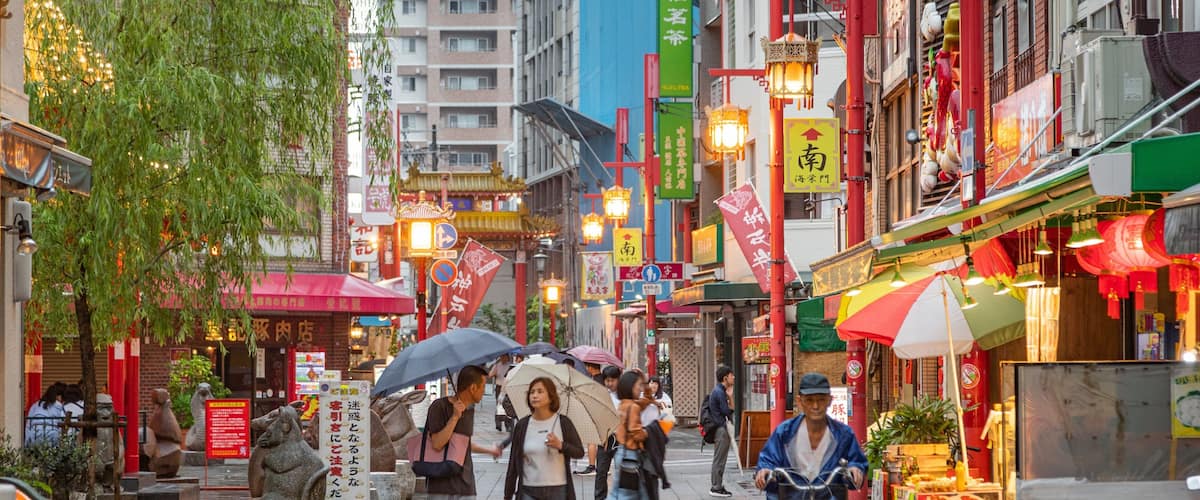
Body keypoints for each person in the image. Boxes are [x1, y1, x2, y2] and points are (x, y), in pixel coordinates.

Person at [754, 373, 867, 500]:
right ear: (799, 401)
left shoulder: (843, 434)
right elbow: (768, 459)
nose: (815, 406)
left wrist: (855, 469)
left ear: (830, 400)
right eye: (809, 400)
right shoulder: (784, 432)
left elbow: (856, 461)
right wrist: (765, 470)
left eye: (821, 400)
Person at [425, 365, 503, 499]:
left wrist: (490, 450)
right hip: (441, 487)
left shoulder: (469, 410)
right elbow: (437, 444)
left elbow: (464, 443)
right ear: (473, 388)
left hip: (466, 486)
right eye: (483, 387)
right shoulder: (439, 407)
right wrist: (454, 417)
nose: (484, 391)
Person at [503, 377, 585, 500]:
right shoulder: (522, 425)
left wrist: (561, 445)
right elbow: (513, 464)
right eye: (532, 392)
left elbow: (579, 452)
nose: (535, 395)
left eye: (540, 391)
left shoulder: (563, 423)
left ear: (551, 396)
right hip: (528, 489)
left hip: (558, 489)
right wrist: (507, 495)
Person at [607, 371, 649, 499]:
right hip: (631, 454)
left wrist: (645, 382)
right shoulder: (633, 407)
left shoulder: (624, 405)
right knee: (629, 494)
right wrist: (648, 432)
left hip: (621, 452)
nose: (640, 388)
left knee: (618, 492)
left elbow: (647, 401)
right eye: (638, 385)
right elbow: (636, 433)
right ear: (630, 387)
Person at [708, 367, 735, 497]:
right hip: (721, 429)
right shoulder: (719, 392)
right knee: (719, 459)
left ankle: (717, 485)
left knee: (720, 458)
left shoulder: (719, 391)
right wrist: (730, 398)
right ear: (725, 378)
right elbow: (727, 411)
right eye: (731, 375)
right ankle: (716, 487)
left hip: (720, 429)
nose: (733, 377)